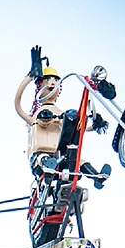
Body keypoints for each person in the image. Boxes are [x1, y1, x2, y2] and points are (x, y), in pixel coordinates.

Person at [14, 59, 112, 189]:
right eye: (47, 79)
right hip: (40, 157)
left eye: (55, 80)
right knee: (43, 158)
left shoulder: (62, 113)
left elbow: (81, 127)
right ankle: (48, 170)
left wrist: (95, 125)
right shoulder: (37, 113)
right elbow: (18, 104)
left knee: (78, 161)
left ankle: (96, 177)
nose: (52, 82)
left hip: (60, 157)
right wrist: (31, 75)